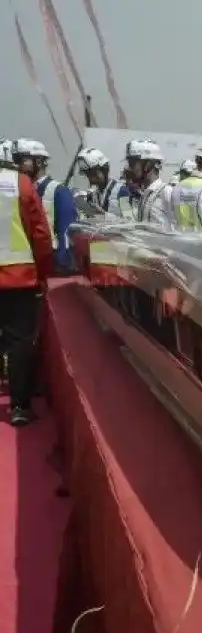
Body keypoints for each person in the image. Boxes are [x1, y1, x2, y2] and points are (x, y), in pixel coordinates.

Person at [0, 138, 55, 425]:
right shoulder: (22, 185)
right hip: (19, 277)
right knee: (20, 341)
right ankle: (19, 406)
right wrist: (43, 273)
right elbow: (41, 236)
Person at [12, 140, 78, 274]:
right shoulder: (19, 190)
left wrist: (61, 265)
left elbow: (66, 231)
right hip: (28, 264)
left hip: (53, 264)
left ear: (39, 162)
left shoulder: (58, 191)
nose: (17, 165)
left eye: (22, 160)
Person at [105, 139, 169, 226]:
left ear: (148, 165)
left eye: (132, 164)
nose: (128, 168)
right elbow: (133, 223)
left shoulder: (166, 193)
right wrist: (104, 217)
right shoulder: (145, 195)